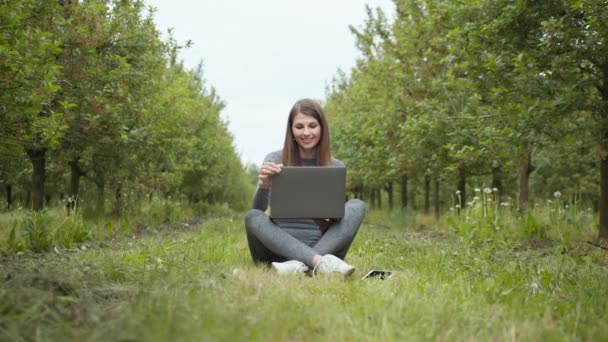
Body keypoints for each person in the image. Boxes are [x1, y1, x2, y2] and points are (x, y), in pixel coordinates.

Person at [244, 98, 366, 277]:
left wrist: (330, 213)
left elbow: (338, 223)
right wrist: (264, 184)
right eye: (299, 127)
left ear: (322, 129)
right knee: (253, 216)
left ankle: (300, 265)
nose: (306, 132)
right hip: (277, 249)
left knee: (357, 205)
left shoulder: (335, 166)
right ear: (291, 131)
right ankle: (317, 263)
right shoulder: (274, 159)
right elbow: (259, 209)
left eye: (312, 126)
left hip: (323, 244)